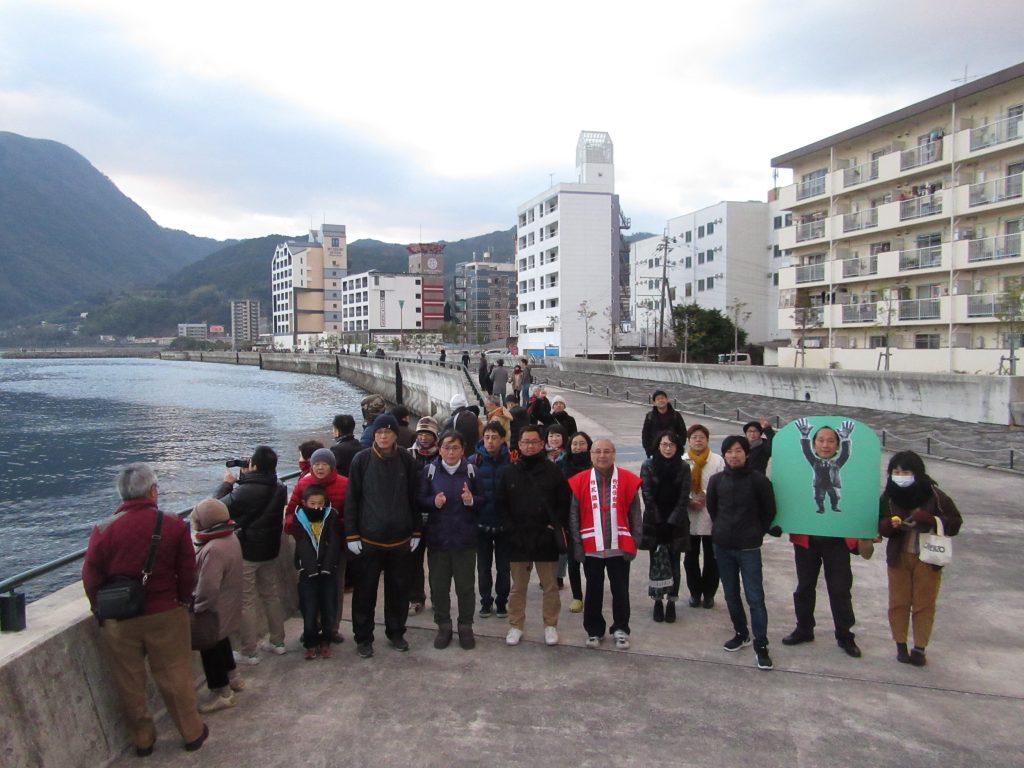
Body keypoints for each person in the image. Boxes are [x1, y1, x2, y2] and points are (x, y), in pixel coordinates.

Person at [82, 463, 208, 756]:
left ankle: (143, 741)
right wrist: (182, 599)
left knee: (129, 683)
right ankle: (191, 733)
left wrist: (99, 610)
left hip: (120, 619)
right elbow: (187, 570)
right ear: (152, 491)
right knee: (176, 676)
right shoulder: (173, 524)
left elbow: (91, 576)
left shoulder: (103, 530)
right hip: (166, 612)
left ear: (122, 494)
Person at [345, 414, 422, 657]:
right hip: (369, 538)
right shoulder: (361, 460)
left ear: (395, 435)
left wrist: (416, 530)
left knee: (398, 590)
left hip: (400, 538)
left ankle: (396, 631)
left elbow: (414, 497)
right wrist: (352, 534)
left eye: (387, 432)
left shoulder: (407, 460)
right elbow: (352, 499)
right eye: (379, 432)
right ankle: (363, 637)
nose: (383, 437)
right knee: (365, 591)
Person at [879, 451, 963, 667]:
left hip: (928, 556)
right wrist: (889, 525)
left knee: (924, 603)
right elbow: (880, 524)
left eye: (905, 472)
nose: (900, 476)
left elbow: (955, 522)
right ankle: (900, 644)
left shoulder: (934, 495)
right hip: (899, 555)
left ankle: (919, 647)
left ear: (916, 473)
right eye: (896, 472)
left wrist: (932, 520)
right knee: (898, 601)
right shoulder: (889, 496)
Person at [706, 436, 779, 671]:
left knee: (755, 597)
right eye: (729, 451)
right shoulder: (717, 481)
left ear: (747, 454)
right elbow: (713, 509)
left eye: (738, 451)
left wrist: (756, 531)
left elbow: (769, 511)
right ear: (724, 455)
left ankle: (761, 645)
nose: (733, 455)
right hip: (723, 546)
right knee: (730, 594)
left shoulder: (759, 480)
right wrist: (722, 531)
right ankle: (741, 633)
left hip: (749, 547)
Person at [496, 424, 570, 647]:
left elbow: (564, 503)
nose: (530, 446)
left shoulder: (554, 471)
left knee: (550, 586)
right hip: (518, 539)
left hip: (545, 538)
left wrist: (553, 526)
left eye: (534, 442)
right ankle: (516, 625)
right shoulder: (508, 472)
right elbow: (501, 505)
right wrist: (511, 530)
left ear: (541, 444)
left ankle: (550, 625)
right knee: (518, 587)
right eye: (525, 442)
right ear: (519, 445)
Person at [214, 446, 288, 664]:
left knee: (246, 601)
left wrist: (228, 484)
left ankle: (249, 651)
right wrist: (246, 478)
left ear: (253, 465)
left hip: (247, 551)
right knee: (270, 595)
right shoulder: (279, 487)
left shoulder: (245, 491)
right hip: (270, 549)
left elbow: (215, 508)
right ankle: (278, 642)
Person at [569, 439, 643, 650]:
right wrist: (577, 545)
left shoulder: (627, 479)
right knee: (593, 590)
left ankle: (621, 628)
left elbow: (636, 514)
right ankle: (594, 630)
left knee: (621, 590)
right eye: (598, 451)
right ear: (591, 455)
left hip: (619, 546)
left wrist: (635, 541)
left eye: (607, 451)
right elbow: (573, 515)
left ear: (614, 454)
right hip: (591, 547)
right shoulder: (580, 480)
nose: (602, 455)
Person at [418, 431, 484, 649]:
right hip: (438, 540)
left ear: (463, 450)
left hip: (465, 540)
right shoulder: (430, 471)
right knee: (439, 587)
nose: (451, 452)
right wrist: (433, 502)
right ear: (440, 449)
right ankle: (443, 626)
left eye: (455, 448)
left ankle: (465, 626)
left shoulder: (472, 471)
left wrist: (471, 500)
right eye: (446, 447)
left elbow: (483, 499)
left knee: (465, 587)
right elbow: (420, 499)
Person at [189, 499, 244, 713]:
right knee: (222, 640)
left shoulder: (213, 548)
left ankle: (222, 693)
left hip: (214, 609)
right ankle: (233, 676)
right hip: (228, 603)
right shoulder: (230, 537)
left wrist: (199, 608)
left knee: (210, 648)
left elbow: (208, 586)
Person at [782, 531, 864, 658]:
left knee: (840, 590)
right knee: (804, 587)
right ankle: (804, 629)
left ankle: (844, 634)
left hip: (837, 538)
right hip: (806, 536)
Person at [640, 431, 691, 623]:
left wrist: (671, 522)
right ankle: (657, 600)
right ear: (657, 446)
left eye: (672, 445)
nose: (668, 448)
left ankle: (671, 601)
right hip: (654, 523)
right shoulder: (648, 465)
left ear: (677, 447)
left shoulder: (683, 467)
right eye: (664, 444)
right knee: (656, 563)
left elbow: (683, 497)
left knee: (675, 565)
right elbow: (647, 495)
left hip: (676, 525)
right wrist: (659, 521)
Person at [291, 485, 344, 660]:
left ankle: (326, 641)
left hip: (328, 571)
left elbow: (334, 542)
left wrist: (328, 566)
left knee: (329, 607)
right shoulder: (299, 518)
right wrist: (310, 568)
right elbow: (302, 544)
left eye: (320, 503)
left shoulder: (331, 516)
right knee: (309, 609)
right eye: (312, 503)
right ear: (304, 502)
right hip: (308, 572)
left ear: (325, 503)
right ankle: (310, 643)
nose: (316, 507)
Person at [683, 424, 725, 609]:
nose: (698, 440)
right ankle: (694, 592)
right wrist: (689, 500)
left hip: (711, 514)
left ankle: (709, 594)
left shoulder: (717, 460)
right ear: (688, 440)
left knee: (712, 558)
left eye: (701, 437)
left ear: (707, 440)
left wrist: (705, 495)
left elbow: (723, 483)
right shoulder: (683, 460)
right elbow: (677, 486)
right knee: (690, 558)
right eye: (694, 437)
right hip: (690, 514)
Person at [473, 421, 512, 620]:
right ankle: (485, 601)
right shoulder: (474, 461)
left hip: (505, 526)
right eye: (487, 437)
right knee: (483, 567)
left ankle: (502, 602)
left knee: (504, 568)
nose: (490, 441)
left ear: (503, 439)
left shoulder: (512, 461)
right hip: (481, 524)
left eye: (494, 437)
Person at [407, 416, 440, 614]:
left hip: (437, 515)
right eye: (420, 433)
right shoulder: (407, 455)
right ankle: (415, 598)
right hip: (414, 514)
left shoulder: (442, 455)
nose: (424, 438)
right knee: (413, 560)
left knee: (437, 561)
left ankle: (438, 597)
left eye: (428, 434)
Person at [562, 431, 593, 613]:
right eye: (575, 444)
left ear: (588, 446)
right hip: (570, 519)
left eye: (582, 443)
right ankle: (577, 597)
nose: (578, 447)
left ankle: (591, 594)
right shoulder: (564, 465)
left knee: (591, 561)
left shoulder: (594, 465)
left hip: (590, 519)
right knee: (573, 560)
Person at [796, 418, 855, 514]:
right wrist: (805, 436)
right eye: (820, 441)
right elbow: (807, 452)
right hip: (820, 484)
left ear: (837, 446)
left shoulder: (836, 463)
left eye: (831, 441)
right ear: (814, 445)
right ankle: (821, 508)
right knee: (819, 497)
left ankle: (834, 507)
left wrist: (845, 438)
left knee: (836, 496)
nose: (825, 446)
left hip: (832, 483)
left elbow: (845, 454)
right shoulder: (815, 462)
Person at [641, 390, 687, 458]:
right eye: (658, 399)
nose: (661, 400)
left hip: (672, 451)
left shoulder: (676, 415)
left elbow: (683, 433)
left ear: (667, 400)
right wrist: (649, 451)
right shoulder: (650, 416)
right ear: (654, 403)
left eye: (662, 398)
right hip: (656, 452)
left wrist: (677, 447)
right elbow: (645, 435)